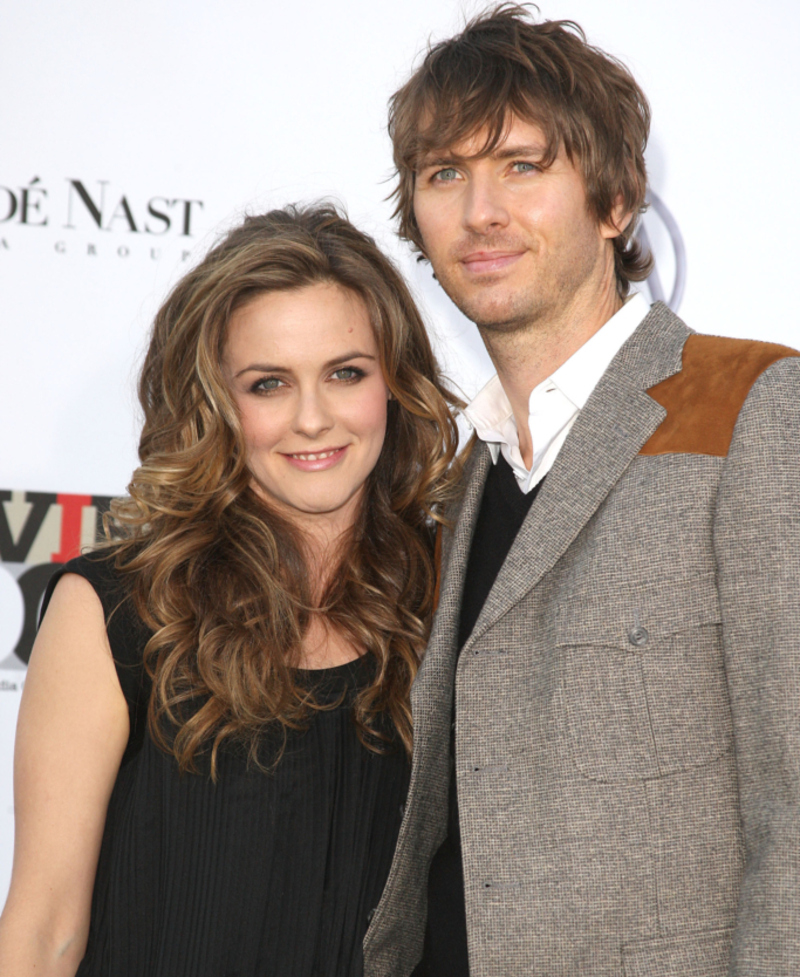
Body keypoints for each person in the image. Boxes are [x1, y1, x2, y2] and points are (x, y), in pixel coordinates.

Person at [362, 6, 800, 977]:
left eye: (521, 164)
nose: (480, 210)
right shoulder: (451, 477)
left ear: (614, 202)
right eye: (444, 173)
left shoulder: (748, 407)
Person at [0, 203, 461, 977]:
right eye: (268, 383)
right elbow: (44, 931)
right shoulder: (118, 611)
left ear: (395, 384)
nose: (313, 418)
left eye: (346, 373)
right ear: (216, 401)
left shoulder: (449, 600)